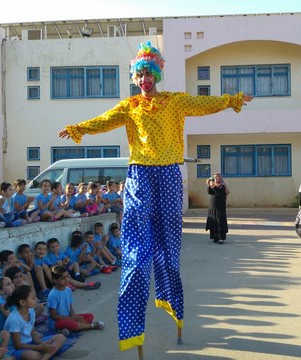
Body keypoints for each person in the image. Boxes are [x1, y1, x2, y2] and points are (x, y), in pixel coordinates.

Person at [58, 41, 252, 352]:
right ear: (135, 78)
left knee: (168, 250)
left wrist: (232, 100)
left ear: (157, 75)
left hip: (169, 175)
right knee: (137, 255)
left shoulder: (175, 101)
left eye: (150, 74)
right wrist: (79, 128)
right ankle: (134, 313)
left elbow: (205, 105)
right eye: (140, 75)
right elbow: (104, 120)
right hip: (140, 174)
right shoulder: (129, 107)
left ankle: (169, 299)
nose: (145, 80)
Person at [3, 285, 65, 360]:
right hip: (16, 350)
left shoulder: (31, 310)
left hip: (30, 343)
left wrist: (43, 344)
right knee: (34, 356)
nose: (36, 299)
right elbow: (17, 345)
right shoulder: (14, 319)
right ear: (22, 302)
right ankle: (42, 354)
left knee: (61, 337)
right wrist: (39, 347)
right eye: (33, 298)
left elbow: (33, 334)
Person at [47, 265, 104, 333]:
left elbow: (70, 307)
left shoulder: (68, 290)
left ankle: (68, 329)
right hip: (56, 322)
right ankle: (91, 326)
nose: (66, 280)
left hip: (68, 317)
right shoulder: (53, 294)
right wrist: (71, 319)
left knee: (90, 316)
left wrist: (73, 316)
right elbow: (54, 316)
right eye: (63, 278)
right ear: (55, 280)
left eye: (68, 276)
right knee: (70, 323)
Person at [205, 173, 229, 244]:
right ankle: (215, 237)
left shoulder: (222, 186)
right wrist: (209, 185)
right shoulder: (213, 185)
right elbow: (209, 192)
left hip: (220, 207)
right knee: (213, 222)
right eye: (215, 178)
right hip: (212, 207)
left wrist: (214, 187)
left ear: (220, 178)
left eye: (217, 177)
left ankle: (221, 237)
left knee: (220, 222)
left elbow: (219, 193)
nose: (216, 179)